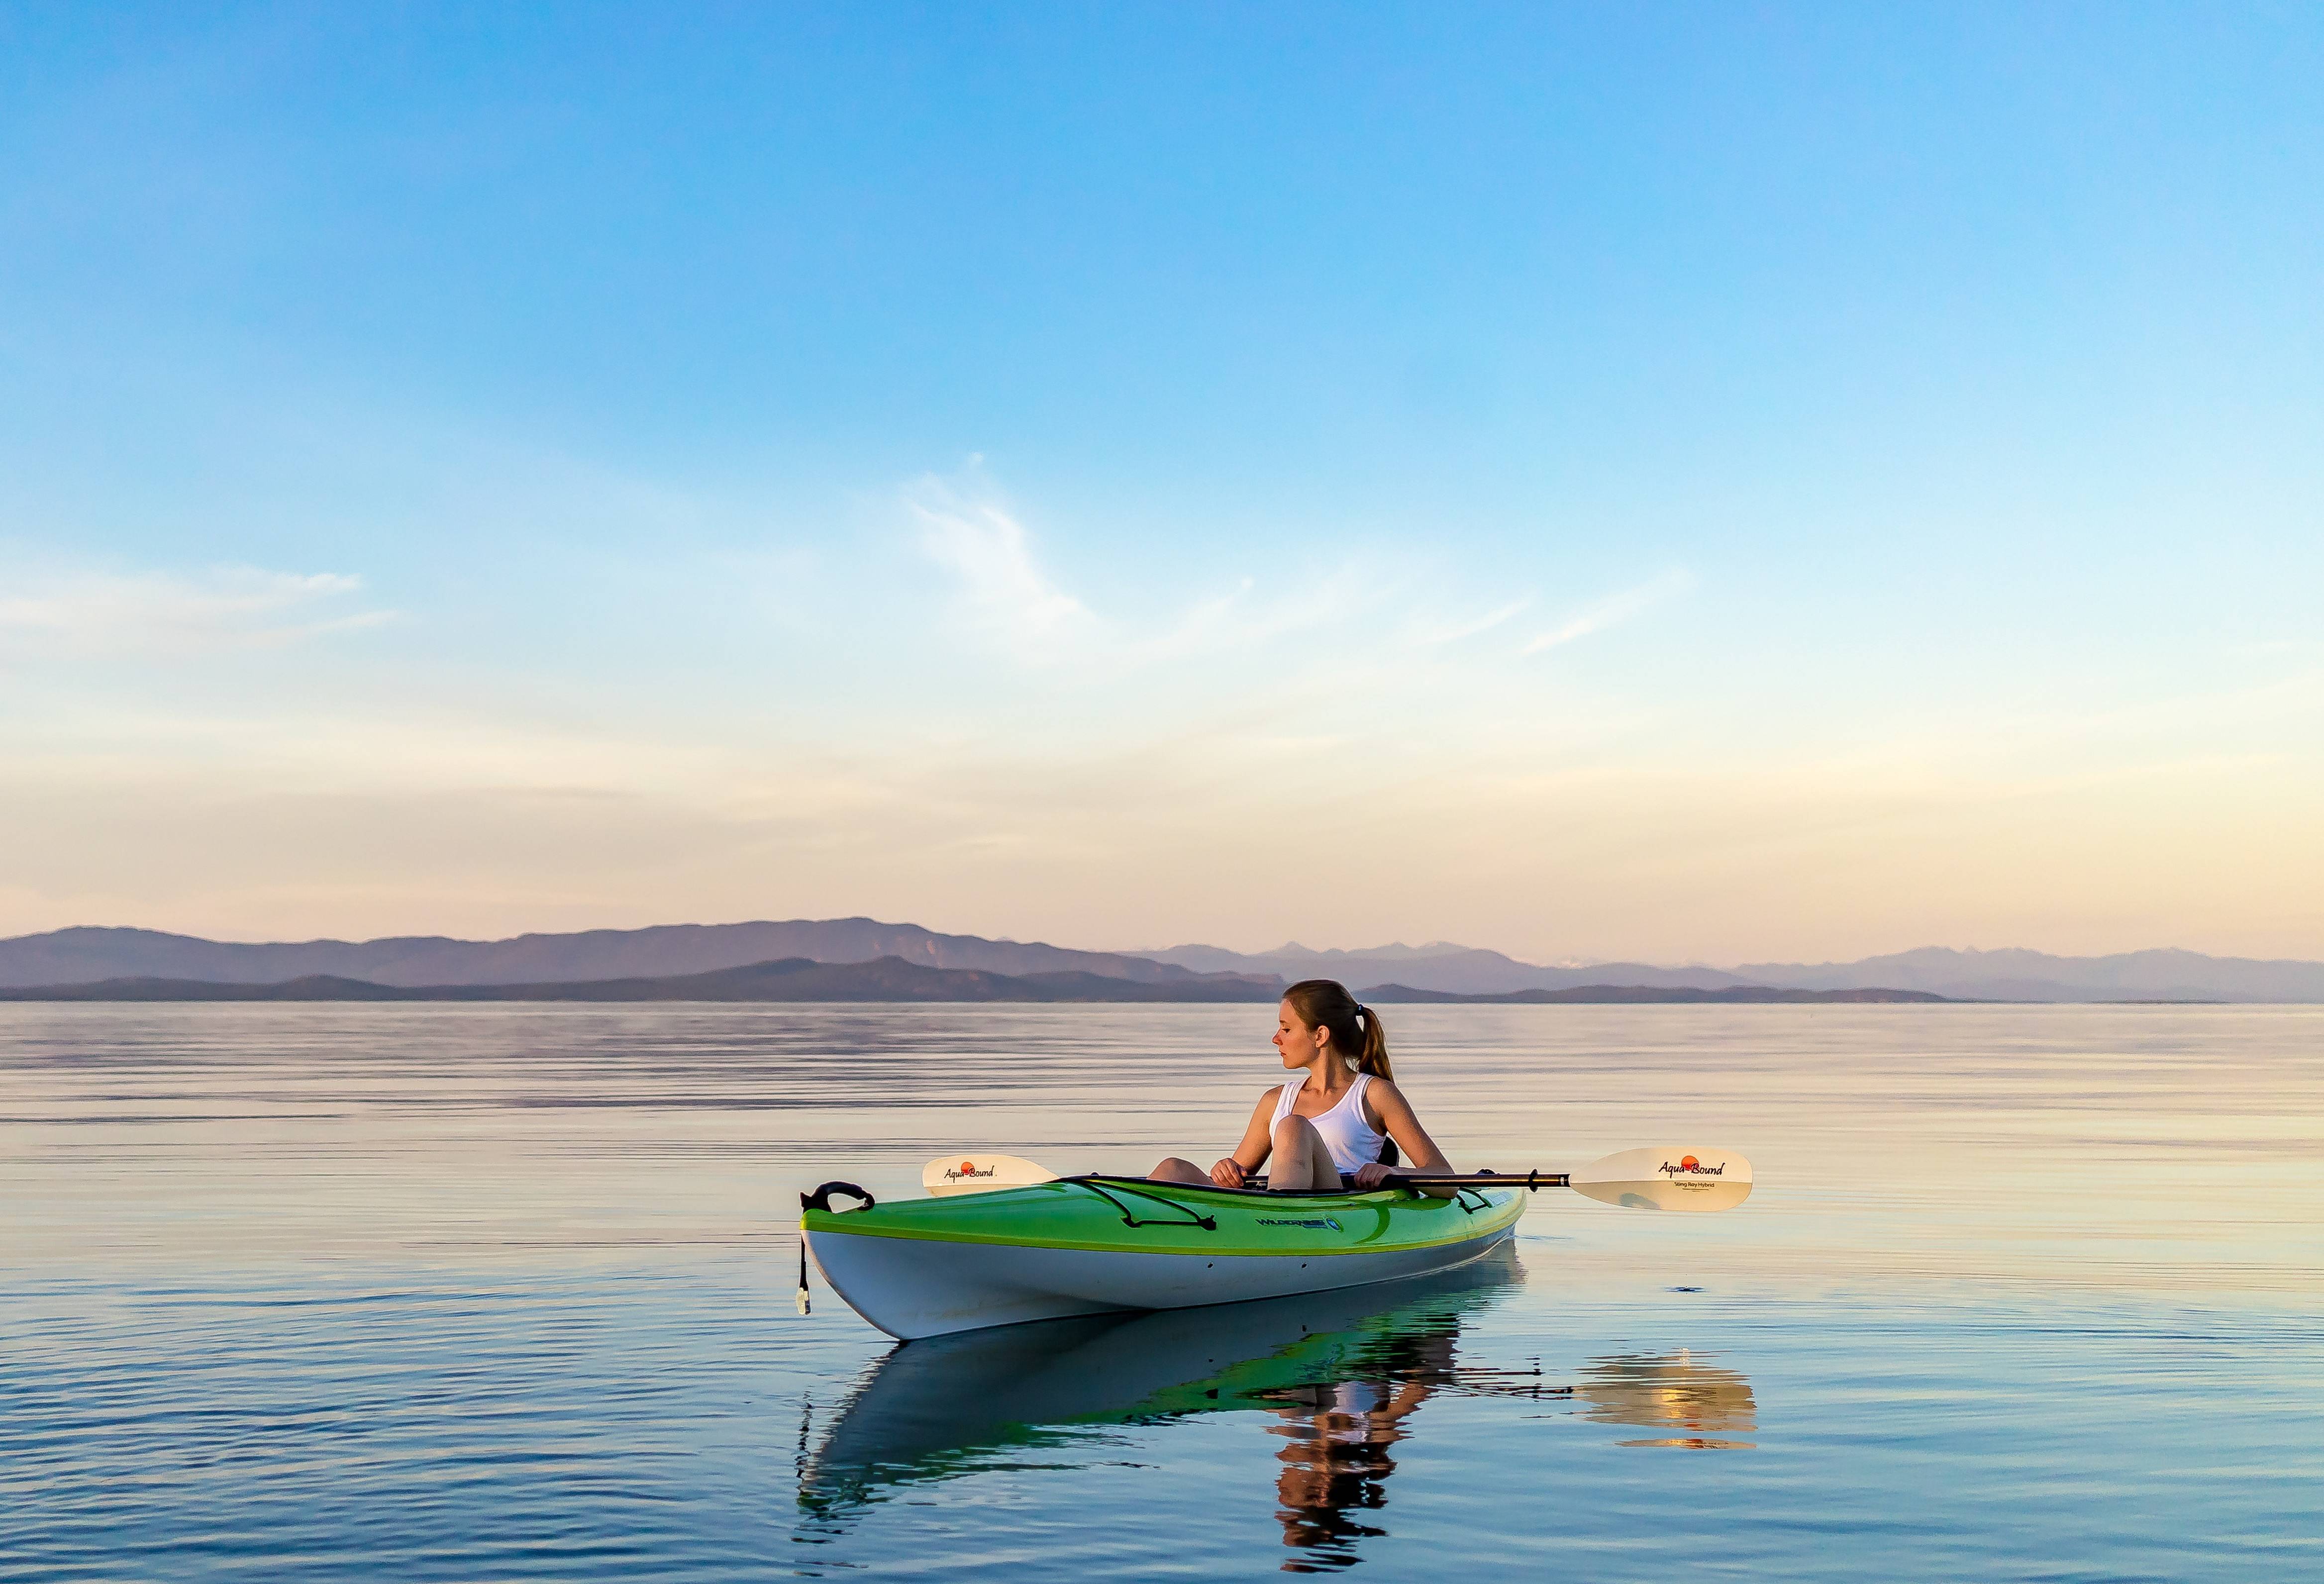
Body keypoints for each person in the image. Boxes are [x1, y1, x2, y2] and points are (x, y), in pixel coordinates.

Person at [1148, 979, 1454, 1192]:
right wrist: (1226, 1170)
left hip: (1335, 1211)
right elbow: (1236, 1178)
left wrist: (1392, 1171)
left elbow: (1447, 1181)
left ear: (1320, 1036)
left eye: (1286, 1028)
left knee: (1294, 1126)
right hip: (1271, 1207)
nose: (1276, 1038)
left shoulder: (1374, 1095)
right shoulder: (1274, 1101)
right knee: (1173, 1168)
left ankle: (1284, 1230)